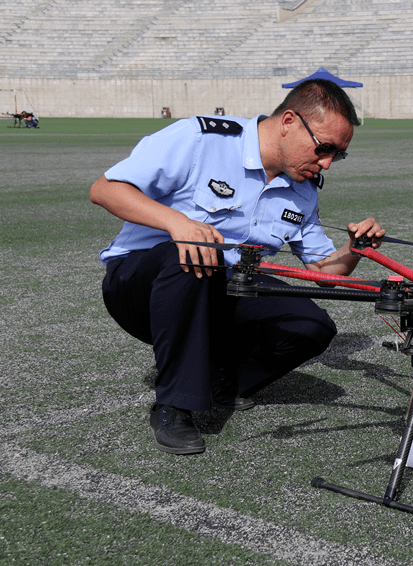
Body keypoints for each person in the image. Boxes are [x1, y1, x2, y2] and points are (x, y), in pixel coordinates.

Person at [90, 79, 385, 455]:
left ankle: (220, 382)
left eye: (337, 155)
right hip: (140, 288)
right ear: (289, 121)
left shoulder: (304, 189)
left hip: (221, 288)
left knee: (311, 327)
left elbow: (325, 274)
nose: (326, 162)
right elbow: (104, 189)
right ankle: (174, 405)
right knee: (196, 256)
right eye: (323, 148)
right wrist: (177, 224)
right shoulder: (201, 139)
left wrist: (355, 248)